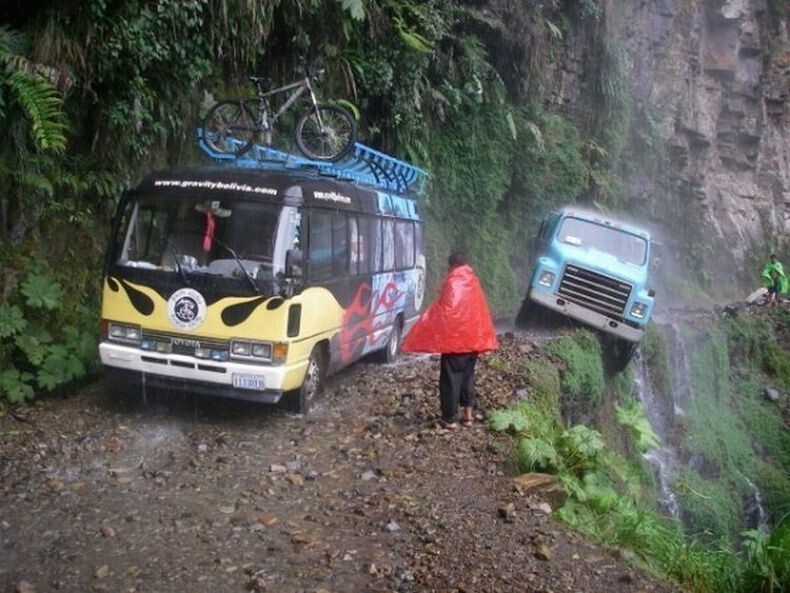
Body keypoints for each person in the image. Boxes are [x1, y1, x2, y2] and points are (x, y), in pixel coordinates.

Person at [402, 251, 498, 428]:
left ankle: (450, 419)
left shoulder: (452, 282)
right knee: (468, 377)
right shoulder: (474, 281)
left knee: (450, 379)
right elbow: (480, 311)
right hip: (473, 342)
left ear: (452, 265)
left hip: (455, 343)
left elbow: (445, 311)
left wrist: (426, 323)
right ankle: (468, 416)